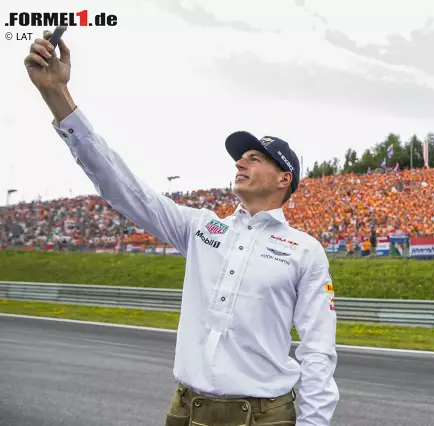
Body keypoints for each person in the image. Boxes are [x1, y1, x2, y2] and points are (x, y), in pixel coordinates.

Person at [24, 31, 339, 426]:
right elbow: (125, 189)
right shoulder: (202, 228)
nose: (240, 163)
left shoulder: (304, 250)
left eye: (254, 158)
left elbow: (317, 352)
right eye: (239, 158)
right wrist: (57, 96)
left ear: (283, 179)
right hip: (184, 411)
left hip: (265, 417)